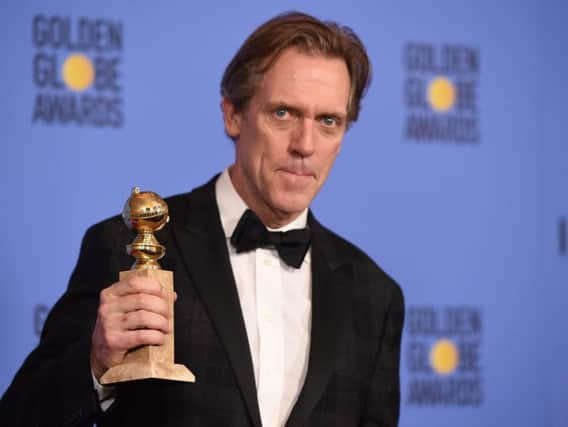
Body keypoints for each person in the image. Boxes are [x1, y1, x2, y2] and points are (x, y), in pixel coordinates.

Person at [0, 11, 404, 427]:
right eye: (283, 113)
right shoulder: (123, 246)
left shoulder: (374, 297)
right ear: (233, 115)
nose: (305, 145)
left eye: (328, 122)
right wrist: (96, 364)